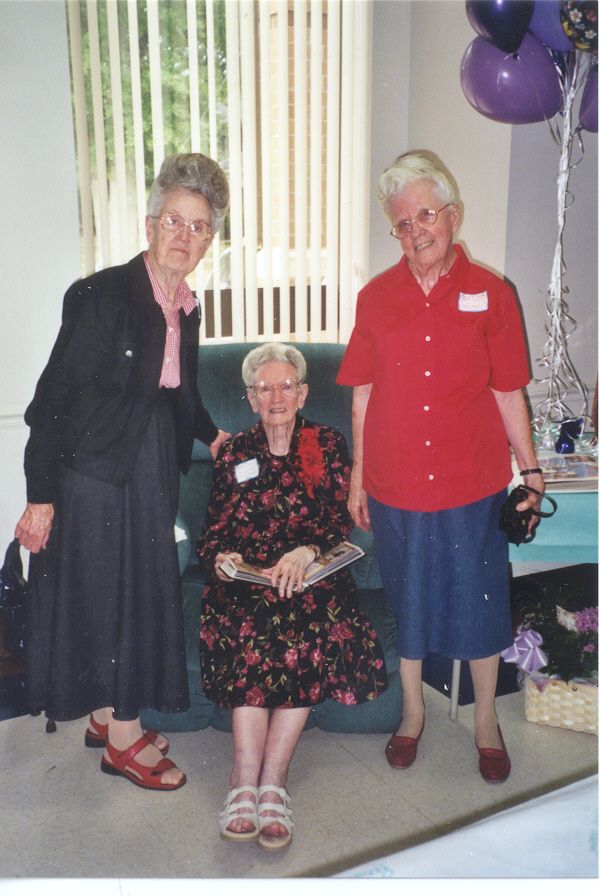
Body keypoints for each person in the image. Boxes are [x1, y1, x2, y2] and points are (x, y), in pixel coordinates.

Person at [15, 153, 231, 792]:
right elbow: (51, 402)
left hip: (149, 467)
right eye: (174, 220)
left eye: (198, 226)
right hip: (96, 473)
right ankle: (124, 740)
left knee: (125, 593)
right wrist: (40, 497)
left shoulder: (185, 305)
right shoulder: (102, 295)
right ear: (150, 224)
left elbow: (178, 391)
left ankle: (107, 715)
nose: (183, 236)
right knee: (121, 599)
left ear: (209, 241)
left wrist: (214, 435)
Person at [337, 150, 545, 784]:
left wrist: (530, 472)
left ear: (452, 215)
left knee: (480, 606)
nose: (415, 231)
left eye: (425, 215)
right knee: (410, 602)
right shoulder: (376, 297)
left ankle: (485, 720)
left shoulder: (493, 293)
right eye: (402, 222)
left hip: (471, 481)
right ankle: (412, 713)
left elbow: (508, 390)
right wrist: (358, 475)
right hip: (395, 482)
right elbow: (362, 393)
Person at [198, 343, 388, 848]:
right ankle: (243, 780)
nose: (276, 397)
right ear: (250, 399)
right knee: (247, 623)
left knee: (306, 625)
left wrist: (306, 551)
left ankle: (273, 781)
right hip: (250, 577)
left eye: (286, 386)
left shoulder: (327, 443)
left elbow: (339, 517)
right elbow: (213, 531)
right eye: (265, 389)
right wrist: (223, 559)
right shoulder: (235, 452)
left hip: (312, 572)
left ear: (303, 393)